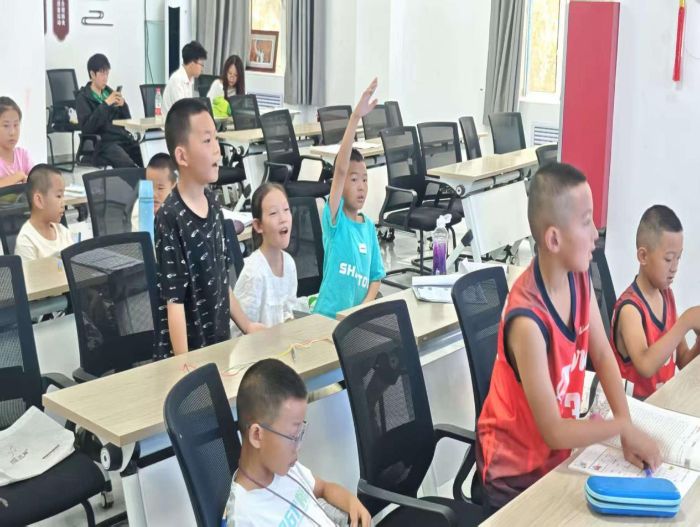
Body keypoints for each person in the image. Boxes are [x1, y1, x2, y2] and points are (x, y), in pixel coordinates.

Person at [476, 162, 661, 509]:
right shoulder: (528, 321)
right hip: (512, 478)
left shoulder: (579, 277)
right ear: (553, 239)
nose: (596, 234)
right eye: (586, 221)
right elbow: (553, 431)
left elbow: (603, 355)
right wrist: (621, 427)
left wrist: (625, 426)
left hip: (554, 462)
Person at [154, 98, 263, 359]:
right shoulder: (170, 217)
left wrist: (247, 326)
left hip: (217, 347)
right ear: (182, 156)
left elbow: (221, 280)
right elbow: (174, 303)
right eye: (206, 140)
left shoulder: (213, 204)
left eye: (216, 138)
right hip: (186, 357)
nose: (217, 150)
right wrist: (184, 363)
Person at [225, 358, 371, 526]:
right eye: (292, 437)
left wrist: (352, 503)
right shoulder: (246, 518)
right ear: (257, 435)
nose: (298, 448)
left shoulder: (284, 468)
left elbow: (323, 488)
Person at [312, 79, 385, 318]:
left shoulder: (369, 227)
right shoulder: (335, 221)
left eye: (364, 179)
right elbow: (341, 169)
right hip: (326, 317)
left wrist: (362, 308)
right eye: (354, 180)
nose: (361, 186)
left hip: (353, 319)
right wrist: (355, 118)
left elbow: (376, 277)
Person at [611, 204, 700, 399]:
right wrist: (685, 322)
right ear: (643, 256)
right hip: (636, 409)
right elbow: (645, 365)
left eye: (678, 258)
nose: (674, 267)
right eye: (668, 259)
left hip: (663, 404)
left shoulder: (667, 296)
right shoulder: (630, 309)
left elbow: (683, 361)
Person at [234, 183, 299, 331]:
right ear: (258, 225)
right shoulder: (254, 273)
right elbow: (239, 332)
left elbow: (289, 313)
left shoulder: (289, 263)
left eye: (286, 210)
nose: (283, 218)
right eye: (273, 213)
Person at [75, 53, 143, 168]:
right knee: (127, 164)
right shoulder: (83, 97)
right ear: (92, 74)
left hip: (122, 138)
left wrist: (123, 105)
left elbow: (126, 120)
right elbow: (87, 128)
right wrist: (106, 104)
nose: (105, 78)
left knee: (146, 157)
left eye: (107, 73)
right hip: (103, 143)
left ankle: (148, 179)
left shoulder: (109, 93)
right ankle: (135, 179)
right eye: (102, 73)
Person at [15, 164, 73, 260]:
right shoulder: (26, 241)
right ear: (39, 200)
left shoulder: (63, 232)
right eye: (59, 196)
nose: (64, 202)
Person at [130, 153, 177, 232]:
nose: (153, 194)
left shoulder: (183, 206)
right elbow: (144, 238)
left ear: (173, 186)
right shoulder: (140, 208)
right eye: (149, 186)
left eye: (160, 188)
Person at [162, 41, 207, 116]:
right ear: (192, 63)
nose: (202, 69)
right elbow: (182, 110)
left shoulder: (190, 79)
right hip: (173, 122)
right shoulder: (177, 80)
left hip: (183, 120)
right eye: (201, 65)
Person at [0, 96, 32, 186]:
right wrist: (19, 176)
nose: (12, 132)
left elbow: (37, 179)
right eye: (6, 126)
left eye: (16, 125)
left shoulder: (23, 155)